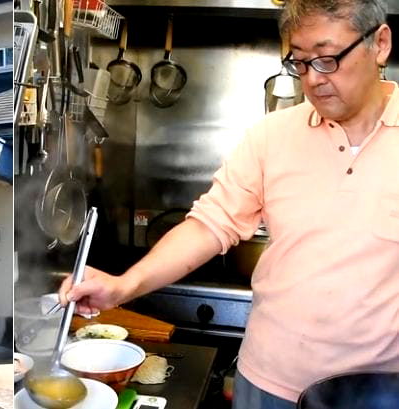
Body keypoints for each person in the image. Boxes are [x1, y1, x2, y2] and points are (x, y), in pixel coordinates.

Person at [58, 1, 396, 407]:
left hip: (376, 391)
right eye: (300, 62)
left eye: (327, 59)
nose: (313, 79)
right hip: (267, 382)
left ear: (379, 43)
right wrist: (122, 285)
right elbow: (210, 223)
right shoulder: (271, 136)